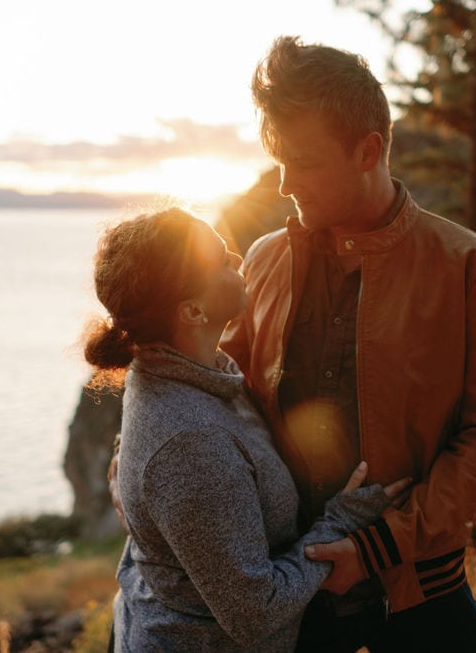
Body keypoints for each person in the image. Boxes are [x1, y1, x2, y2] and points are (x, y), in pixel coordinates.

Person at [215, 36, 476, 652]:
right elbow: (220, 392)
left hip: (420, 599)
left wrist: (379, 546)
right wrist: (141, 444)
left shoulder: (474, 266)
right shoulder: (263, 261)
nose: (284, 184)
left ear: (369, 150)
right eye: (277, 159)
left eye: (303, 162)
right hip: (289, 599)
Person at [84, 207, 411, 652]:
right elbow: (256, 611)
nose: (238, 260)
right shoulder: (191, 443)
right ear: (193, 310)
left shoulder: (176, 370)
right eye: (220, 261)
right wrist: (341, 520)